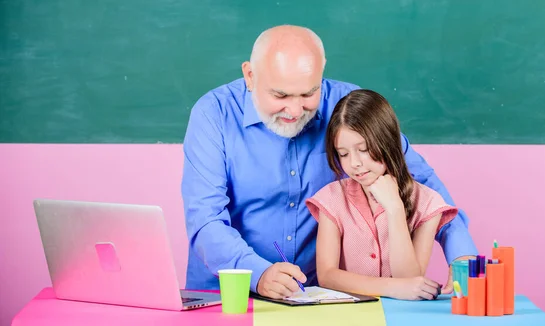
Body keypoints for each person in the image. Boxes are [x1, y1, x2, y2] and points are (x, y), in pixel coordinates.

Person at [181, 24, 477, 300]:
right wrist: (258, 274)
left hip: (318, 298)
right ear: (250, 76)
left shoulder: (347, 105)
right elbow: (205, 219)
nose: (295, 110)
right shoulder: (213, 115)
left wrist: (460, 250)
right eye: (280, 95)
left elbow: (417, 178)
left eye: (309, 93)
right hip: (228, 294)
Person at [305, 89, 458, 300]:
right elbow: (327, 276)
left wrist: (394, 209)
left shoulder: (428, 203)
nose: (355, 163)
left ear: (387, 141)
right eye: (343, 154)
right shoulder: (331, 199)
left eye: (364, 149)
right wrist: (390, 288)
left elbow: (409, 278)